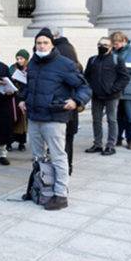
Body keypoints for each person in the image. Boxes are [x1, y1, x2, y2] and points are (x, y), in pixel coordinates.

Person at [18, 28, 91, 211]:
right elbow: (29, 88)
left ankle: (60, 195)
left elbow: (84, 87)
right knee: (37, 156)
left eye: (45, 42)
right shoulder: (33, 63)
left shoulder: (64, 64)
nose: (41, 46)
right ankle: (38, 188)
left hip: (54, 118)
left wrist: (76, 101)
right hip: (34, 117)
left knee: (58, 157)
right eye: (39, 43)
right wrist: (22, 100)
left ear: (52, 44)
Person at [84, 37, 130, 156]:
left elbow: (124, 77)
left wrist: (113, 89)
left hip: (112, 96)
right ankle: (98, 144)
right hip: (96, 95)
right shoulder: (92, 60)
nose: (102, 46)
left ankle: (110, 145)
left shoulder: (117, 59)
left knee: (112, 120)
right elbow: (86, 76)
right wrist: (90, 88)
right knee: (96, 120)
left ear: (111, 47)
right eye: (100, 44)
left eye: (105, 44)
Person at [51, 28, 83, 175]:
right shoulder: (70, 49)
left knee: (60, 140)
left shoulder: (58, 54)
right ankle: (67, 168)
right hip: (69, 104)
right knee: (67, 139)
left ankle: (61, 170)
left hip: (61, 105)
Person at [8, 49, 29, 151]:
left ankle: (21, 143)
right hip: (14, 97)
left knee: (23, 121)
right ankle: (9, 142)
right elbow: (9, 77)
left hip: (25, 97)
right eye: (17, 58)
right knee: (12, 119)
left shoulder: (30, 68)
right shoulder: (12, 68)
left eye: (21, 58)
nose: (19, 60)